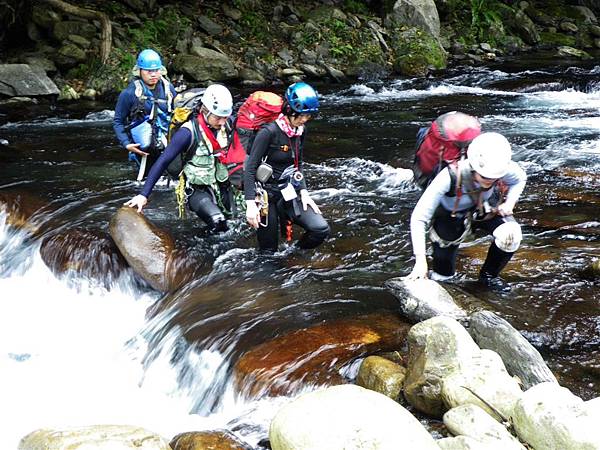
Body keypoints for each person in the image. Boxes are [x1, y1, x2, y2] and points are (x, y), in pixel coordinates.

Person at [407, 132, 527, 290]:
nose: (490, 181)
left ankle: (488, 277)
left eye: (494, 178)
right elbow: (419, 218)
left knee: (511, 234)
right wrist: (420, 262)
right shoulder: (449, 176)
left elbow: (520, 179)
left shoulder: (503, 167)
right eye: (485, 177)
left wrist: (509, 203)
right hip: (450, 218)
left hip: (484, 210)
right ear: (473, 168)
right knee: (443, 280)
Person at [125, 84, 235, 232]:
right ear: (205, 110)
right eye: (218, 117)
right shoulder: (187, 133)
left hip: (223, 187)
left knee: (233, 223)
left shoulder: (227, 125)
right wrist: (143, 195)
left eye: (225, 117)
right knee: (219, 222)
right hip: (197, 190)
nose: (222, 122)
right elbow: (163, 161)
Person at [244, 82, 330, 252]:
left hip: (288, 191)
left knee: (320, 229)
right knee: (268, 253)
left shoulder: (301, 131)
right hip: (266, 196)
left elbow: (299, 163)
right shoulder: (268, 133)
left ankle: (292, 255)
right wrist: (250, 204)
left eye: (308, 116)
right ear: (290, 110)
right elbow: (250, 168)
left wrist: (304, 192)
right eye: (302, 115)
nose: (305, 119)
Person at [113, 48, 177, 179]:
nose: (153, 75)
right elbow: (118, 121)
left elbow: (179, 114)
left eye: (156, 71)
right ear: (140, 71)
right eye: (149, 71)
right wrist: (126, 144)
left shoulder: (168, 89)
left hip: (167, 146)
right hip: (143, 151)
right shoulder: (129, 94)